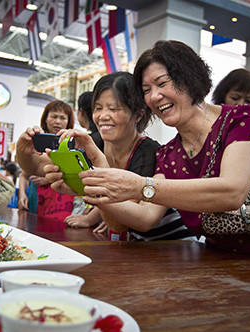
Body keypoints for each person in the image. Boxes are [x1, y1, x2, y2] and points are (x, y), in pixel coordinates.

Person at [45, 40, 250, 269]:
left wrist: (140, 186)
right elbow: (144, 218)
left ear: (190, 78)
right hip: (227, 269)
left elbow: (232, 191)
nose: (155, 96)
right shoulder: (169, 154)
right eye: (146, 90)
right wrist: (86, 187)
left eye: (162, 83)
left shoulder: (240, 119)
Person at [60, 72, 196, 241]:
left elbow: (125, 217)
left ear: (138, 114)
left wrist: (94, 192)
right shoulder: (98, 141)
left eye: (113, 108)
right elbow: (116, 206)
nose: (103, 116)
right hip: (137, 243)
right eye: (98, 108)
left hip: (171, 245)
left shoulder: (152, 154)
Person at [16, 100, 75, 220]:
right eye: (54, 116)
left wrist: (49, 179)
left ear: (68, 121)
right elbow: (24, 175)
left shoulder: (74, 144)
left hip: (61, 204)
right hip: (36, 198)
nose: (58, 121)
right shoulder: (36, 143)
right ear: (46, 119)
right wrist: (22, 194)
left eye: (63, 118)